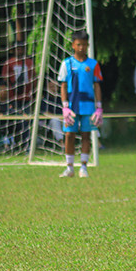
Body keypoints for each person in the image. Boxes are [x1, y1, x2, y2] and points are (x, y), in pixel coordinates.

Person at [58, 30, 103, 178]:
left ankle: (83, 166)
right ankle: (69, 167)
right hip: (71, 106)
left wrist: (99, 107)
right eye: (79, 44)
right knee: (69, 134)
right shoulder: (67, 63)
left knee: (86, 135)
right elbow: (63, 85)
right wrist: (64, 106)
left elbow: (97, 85)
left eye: (84, 44)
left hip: (88, 105)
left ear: (88, 45)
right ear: (73, 45)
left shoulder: (93, 64)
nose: (82, 47)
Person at [1, 43, 35, 148]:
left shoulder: (29, 62)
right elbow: (5, 79)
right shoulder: (9, 63)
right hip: (13, 98)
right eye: (17, 49)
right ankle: (12, 142)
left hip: (26, 97)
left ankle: (26, 144)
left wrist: (33, 92)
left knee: (26, 120)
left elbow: (34, 78)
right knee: (14, 120)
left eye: (21, 49)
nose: (19, 51)